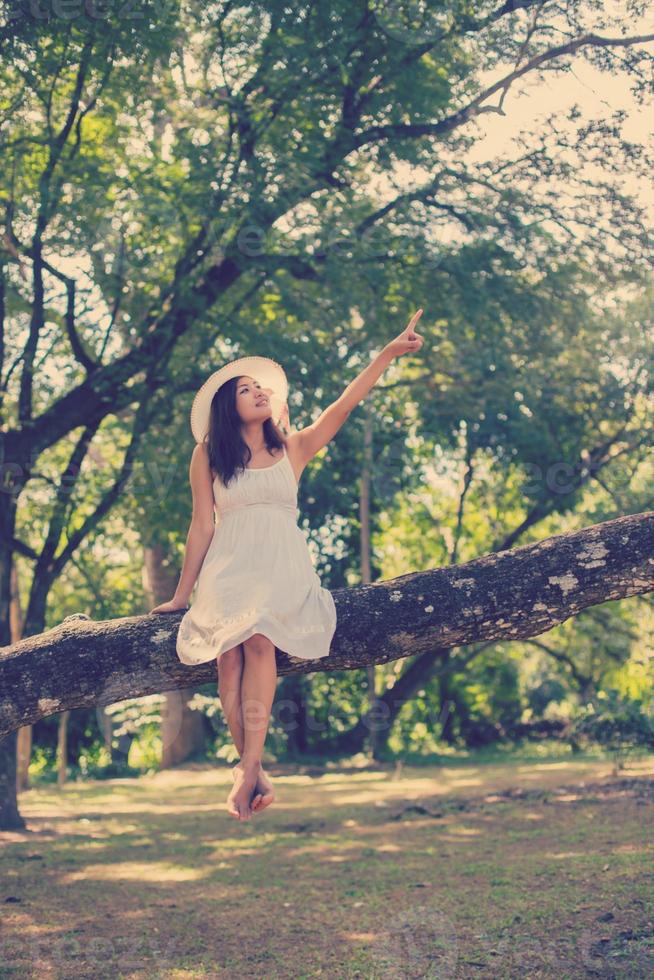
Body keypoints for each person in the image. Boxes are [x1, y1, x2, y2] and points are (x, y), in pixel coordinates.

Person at [151, 310, 425, 821]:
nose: (258, 393)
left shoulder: (293, 447)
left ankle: (247, 770)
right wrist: (181, 596)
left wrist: (386, 355)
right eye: (245, 389)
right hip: (227, 572)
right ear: (226, 408)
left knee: (258, 641)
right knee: (227, 659)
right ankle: (252, 770)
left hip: (281, 569)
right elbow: (201, 527)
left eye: (261, 388)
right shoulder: (208, 455)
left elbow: (345, 404)